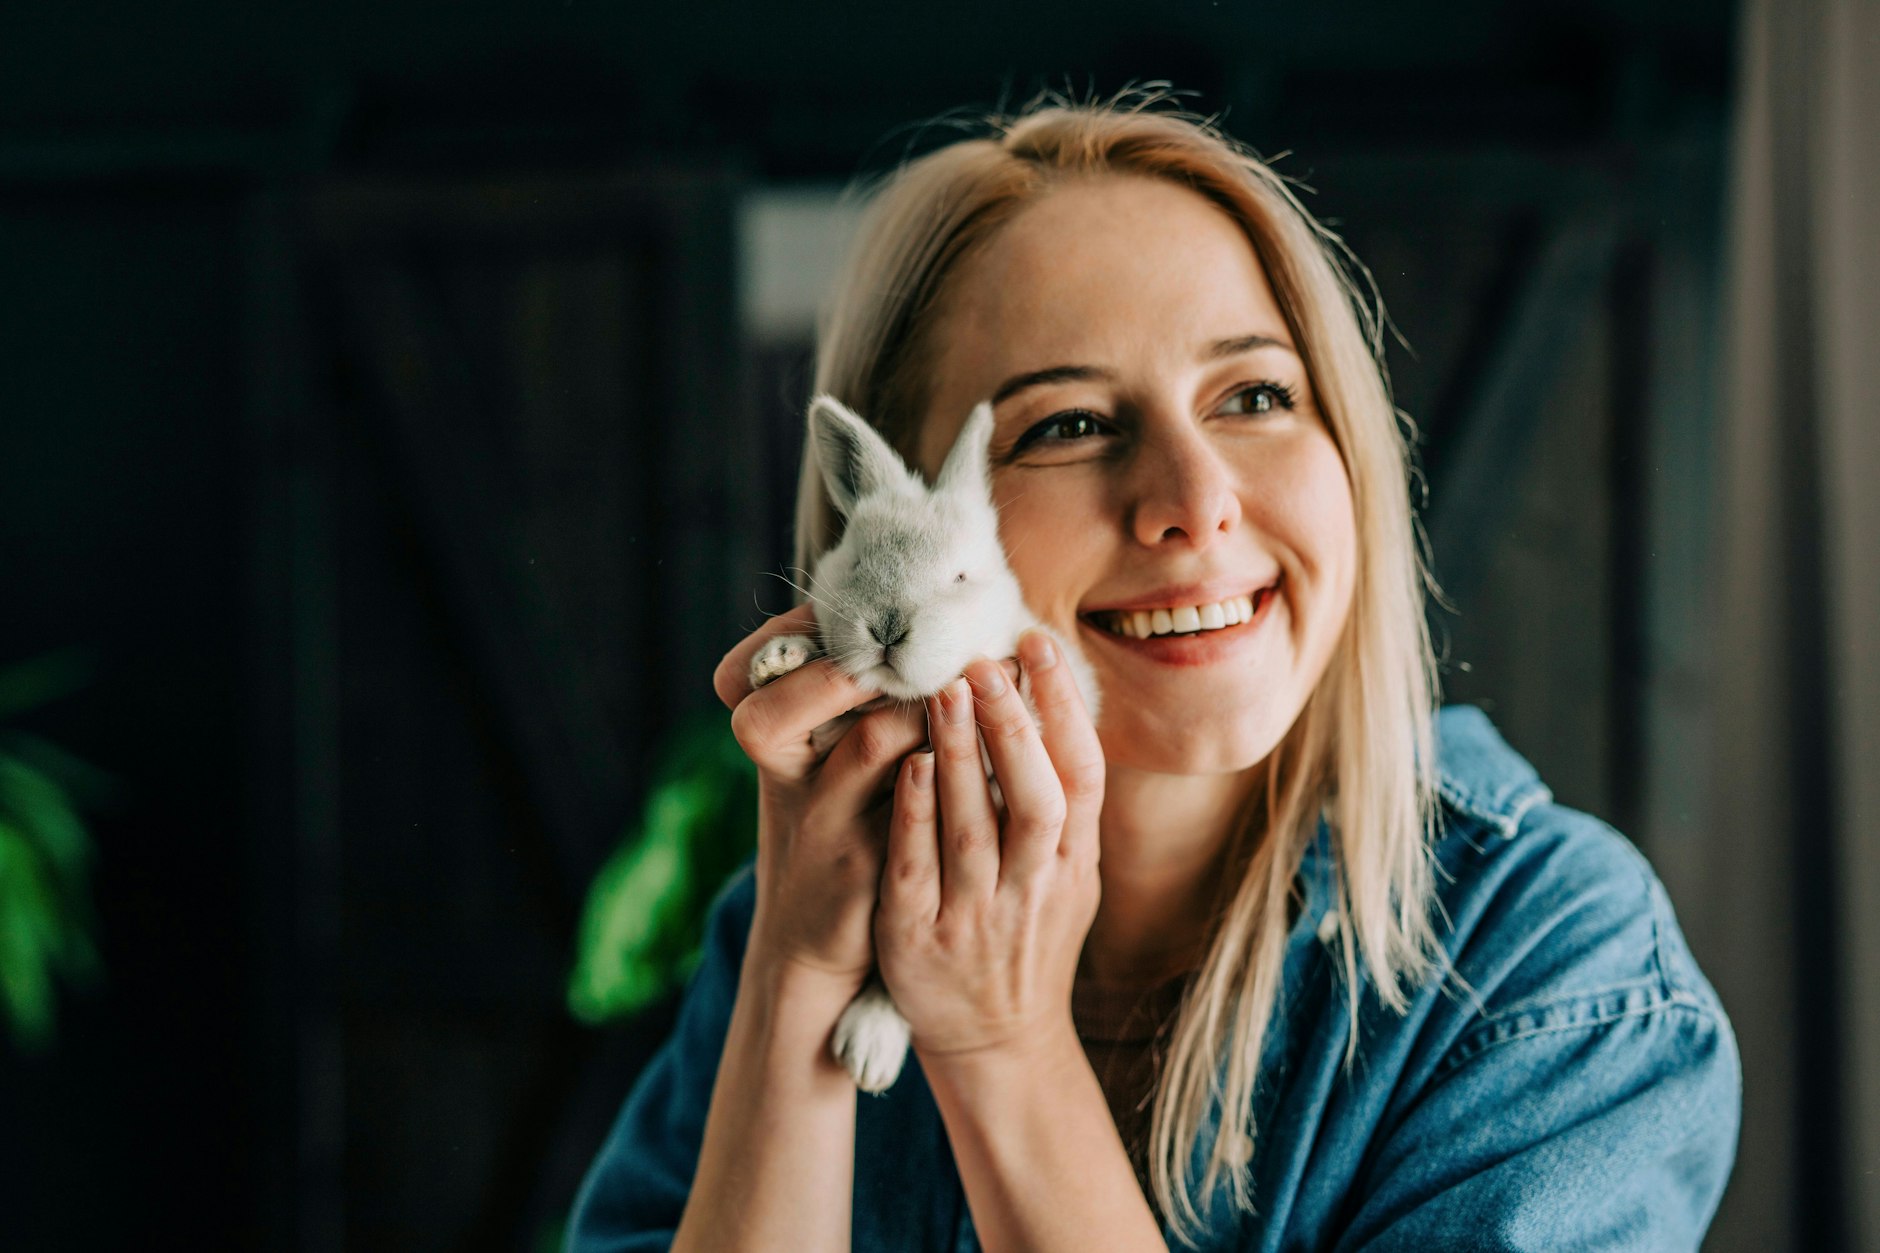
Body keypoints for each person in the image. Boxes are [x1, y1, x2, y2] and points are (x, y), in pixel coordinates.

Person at [566, 92, 1741, 1252]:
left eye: (1255, 395)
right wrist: (798, 972)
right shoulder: (773, 929)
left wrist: (999, 1042)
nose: (1193, 501)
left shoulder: (1552, 972)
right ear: (890, 516)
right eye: (1067, 424)